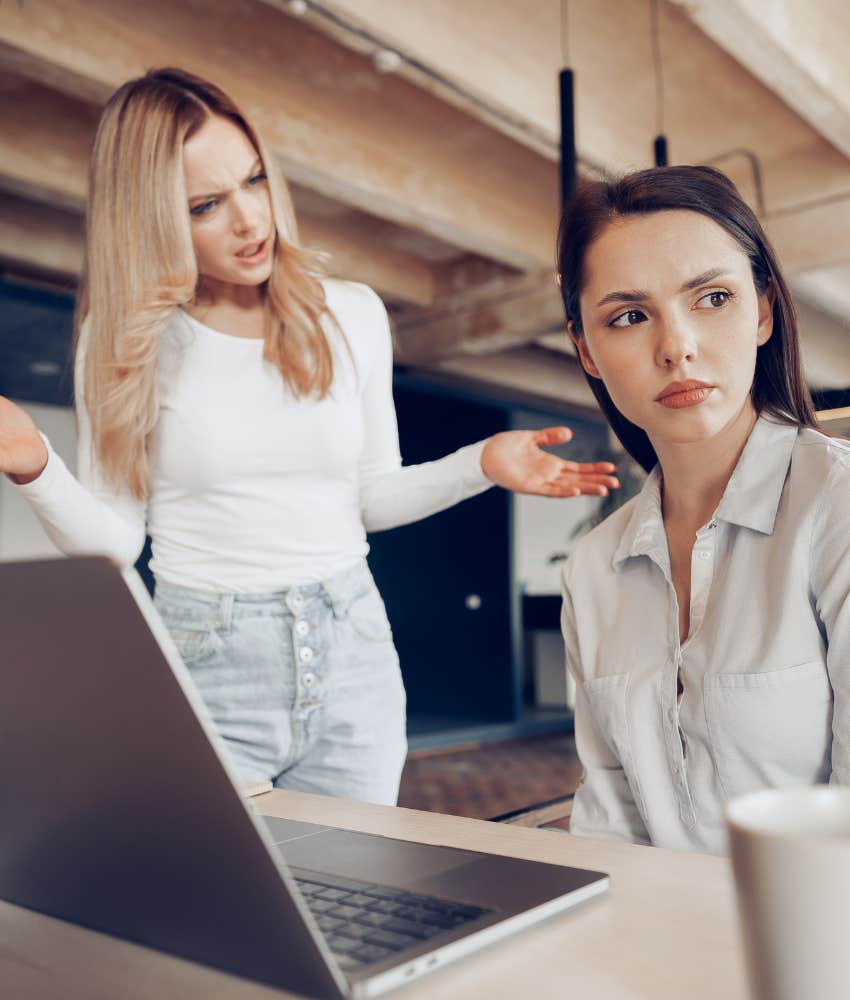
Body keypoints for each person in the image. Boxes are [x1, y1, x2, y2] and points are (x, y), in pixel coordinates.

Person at [0, 68, 619, 807]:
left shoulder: (350, 314)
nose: (249, 220)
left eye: (254, 180)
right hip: (208, 662)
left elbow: (371, 499)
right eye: (205, 205)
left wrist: (481, 463)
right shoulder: (123, 341)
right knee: (230, 908)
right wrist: (35, 465)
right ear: (150, 219)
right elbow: (117, 544)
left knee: (364, 896)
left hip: (354, 650)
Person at [557, 165, 849, 854]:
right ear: (586, 351)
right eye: (629, 316)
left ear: (764, 310)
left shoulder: (835, 508)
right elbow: (609, 828)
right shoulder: (594, 568)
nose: (676, 346)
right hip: (655, 944)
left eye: (712, 297)